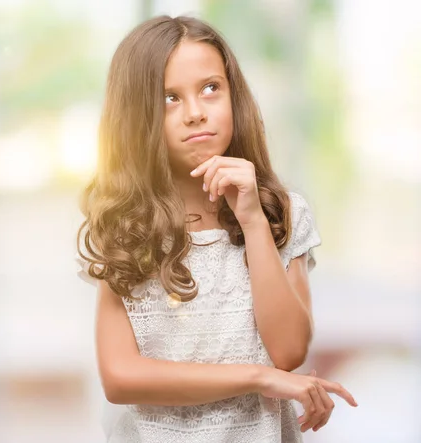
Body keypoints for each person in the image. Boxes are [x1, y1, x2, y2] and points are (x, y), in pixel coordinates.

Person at [75, 15, 357, 443]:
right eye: (169, 97)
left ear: (233, 95)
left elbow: (289, 352)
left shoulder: (282, 212)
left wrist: (253, 221)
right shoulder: (125, 225)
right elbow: (120, 377)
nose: (195, 113)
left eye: (211, 88)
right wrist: (258, 378)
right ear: (137, 115)